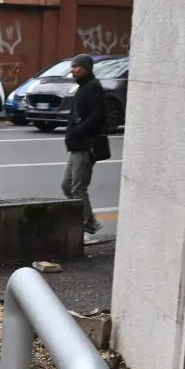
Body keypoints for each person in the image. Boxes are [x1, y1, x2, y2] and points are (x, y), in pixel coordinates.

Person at [62, 54, 107, 236]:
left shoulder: (93, 88)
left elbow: (98, 116)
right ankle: (86, 219)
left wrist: (79, 129)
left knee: (78, 188)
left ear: (88, 68)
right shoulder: (82, 88)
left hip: (86, 146)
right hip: (76, 145)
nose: (75, 69)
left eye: (79, 66)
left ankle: (89, 223)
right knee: (67, 186)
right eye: (73, 66)